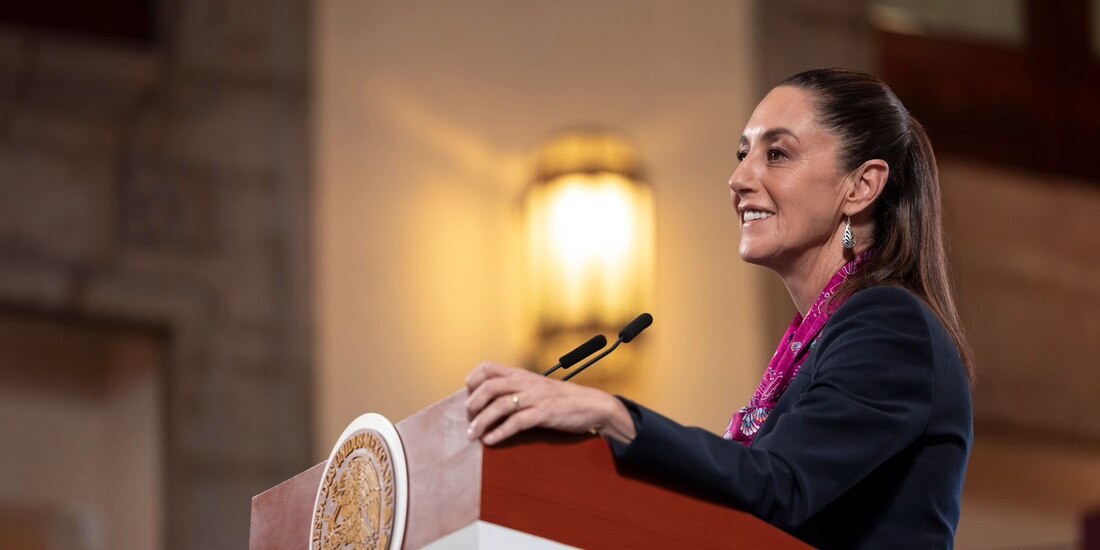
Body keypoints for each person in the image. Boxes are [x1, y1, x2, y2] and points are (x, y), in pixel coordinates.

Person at [464, 68, 974, 549]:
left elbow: (784, 484)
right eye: (742, 153)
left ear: (860, 186)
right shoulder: (820, 336)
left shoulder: (890, 325)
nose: (738, 178)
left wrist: (614, 414)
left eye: (776, 154)